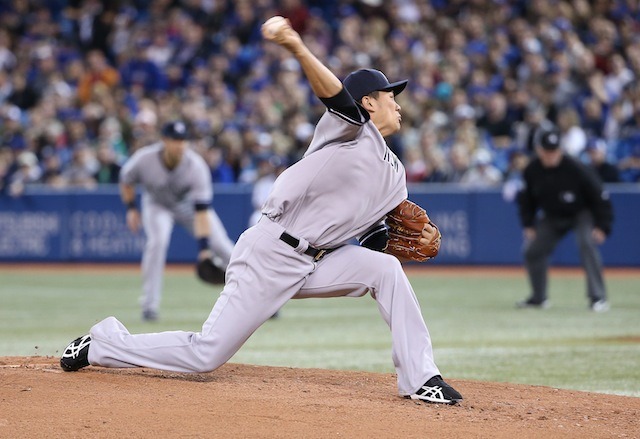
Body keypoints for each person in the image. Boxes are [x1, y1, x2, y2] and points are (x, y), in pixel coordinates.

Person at [60, 17, 463, 405]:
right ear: (368, 103)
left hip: (321, 261)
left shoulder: (395, 174)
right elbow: (335, 95)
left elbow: (375, 240)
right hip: (271, 252)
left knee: (387, 271)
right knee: (206, 355)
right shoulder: (350, 131)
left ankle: (421, 378)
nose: (398, 104)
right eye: (391, 96)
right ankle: (104, 343)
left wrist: (409, 240)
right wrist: (295, 46)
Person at [119, 120, 235, 321]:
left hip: (188, 206)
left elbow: (201, 212)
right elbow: (126, 180)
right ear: (164, 141)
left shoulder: (196, 166)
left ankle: (260, 294)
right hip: (157, 205)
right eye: (175, 140)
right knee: (157, 243)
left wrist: (204, 250)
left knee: (223, 246)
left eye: (183, 140)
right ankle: (149, 306)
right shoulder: (144, 159)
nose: (180, 144)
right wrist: (131, 209)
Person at [516, 128, 614, 312]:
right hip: (552, 216)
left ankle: (598, 298)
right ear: (539, 150)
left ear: (560, 149)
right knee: (532, 251)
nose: (551, 155)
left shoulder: (576, 167)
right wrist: (528, 224)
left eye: (554, 150)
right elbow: (525, 200)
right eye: (547, 151)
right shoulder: (532, 170)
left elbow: (600, 196)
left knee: (587, 244)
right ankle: (539, 298)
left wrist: (603, 226)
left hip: (580, 213)